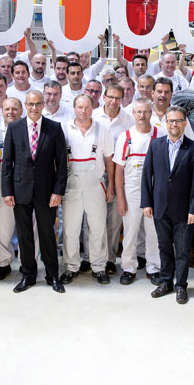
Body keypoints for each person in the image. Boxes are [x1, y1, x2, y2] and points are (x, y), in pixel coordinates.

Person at [1, 90, 67, 293]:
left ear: (43, 105)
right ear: (25, 106)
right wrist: (7, 191)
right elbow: (7, 162)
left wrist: (58, 191)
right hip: (20, 190)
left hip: (46, 192)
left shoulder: (54, 128)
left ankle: (52, 275)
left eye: (38, 104)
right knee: (24, 235)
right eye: (30, 104)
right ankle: (28, 275)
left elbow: (62, 163)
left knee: (47, 234)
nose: (34, 108)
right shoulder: (14, 128)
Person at [141, 105, 194, 304]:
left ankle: (181, 286)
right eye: (171, 121)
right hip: (160, 207)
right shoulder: (155, 145)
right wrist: (146, 202)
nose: (174, 124)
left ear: (185, 123)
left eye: (178, 120)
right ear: (166, 123)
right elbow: (147, 175)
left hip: (184, 211)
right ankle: (166, 282)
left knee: (183, 251)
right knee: (164, 247)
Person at [60, 94, 115, 285]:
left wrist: (111, 185)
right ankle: (71, 267)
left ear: (93, 108)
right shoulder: (64, 129)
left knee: (98, 228)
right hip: (71, 186)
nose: (83, 111)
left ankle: (99, 267)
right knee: (71, 229)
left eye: (87, 107)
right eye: (80, 107)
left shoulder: (102, 130)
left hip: (96, 185)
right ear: (74, 108)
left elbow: (109, 160)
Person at [114, 98, 165, 286]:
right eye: (139, 112)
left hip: (154, 189)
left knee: (153, 231)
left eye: (146, 111)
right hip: (132, 189)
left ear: (151, 113)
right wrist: (121, 198)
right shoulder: (125, 137)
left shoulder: (161, 134)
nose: (142, 115)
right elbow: (119, 169)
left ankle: (154, 268)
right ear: (133, 114)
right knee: (131, 230)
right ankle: (128, 268)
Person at [93, 84, 135, 273]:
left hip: (118, 174)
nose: (113, 101)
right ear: (104, 97)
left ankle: (109, 259)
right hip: (94, 173)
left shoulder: (129, 120)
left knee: (113, 220)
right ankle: (91, 258)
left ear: (122, 99)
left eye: (118, 98)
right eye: (110, 97)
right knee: (92, 219)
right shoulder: (93, 115)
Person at [0, 98, 23, 280]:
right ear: (1, 111)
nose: (11, 112)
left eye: (15, 109)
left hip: (26, 182)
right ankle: (3, 263)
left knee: (28, 227)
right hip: (2, 181)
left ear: (21, 111)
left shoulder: (29, 129)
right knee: (1, 228)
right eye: (7, 109)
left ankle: (28, 263)